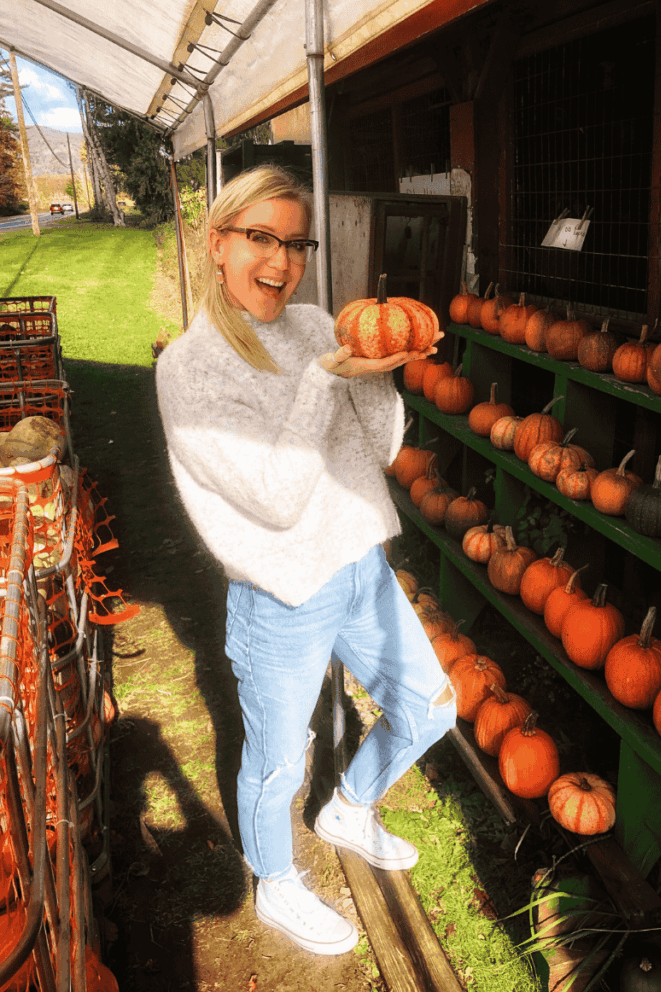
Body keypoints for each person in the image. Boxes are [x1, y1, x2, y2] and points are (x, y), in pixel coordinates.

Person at [156, 164, 458, 956]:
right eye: (260, 237)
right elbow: (276, 498)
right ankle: (276, 885)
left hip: (359, 560)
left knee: (431, 707)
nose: (282, 262)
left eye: (295, 243)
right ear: (218, 242)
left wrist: (382, 377)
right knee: (276, 763)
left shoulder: (316, 322)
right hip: (283, 591)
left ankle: (349, 808)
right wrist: (326, 378)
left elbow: (380, 449)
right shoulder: (189, 369)